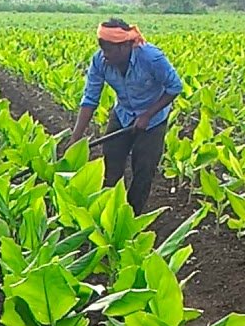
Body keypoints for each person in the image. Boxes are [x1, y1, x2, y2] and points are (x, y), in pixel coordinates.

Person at [70, 18, 183, 214]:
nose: (104, 56)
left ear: (124, 47)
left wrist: (147, 115)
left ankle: (130, 216)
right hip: (123, 113)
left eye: (109, 51)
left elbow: (175, 87)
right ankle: (107, 212)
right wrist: (75, 138)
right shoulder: (100, 61)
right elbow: (90, 98)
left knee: (143, 169)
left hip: (153, 120)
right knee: (110, 164)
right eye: (102, 50)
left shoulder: (151, 58)